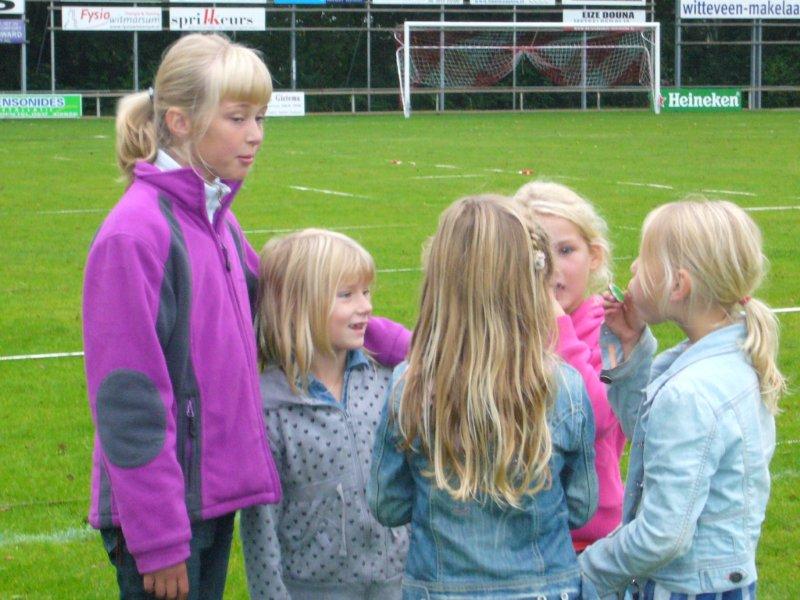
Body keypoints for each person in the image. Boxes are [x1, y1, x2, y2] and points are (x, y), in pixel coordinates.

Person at [83, 33, 410, 600]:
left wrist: (408, 345)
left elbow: (290, 308)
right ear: (181, 122)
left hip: (209, 499)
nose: (256, 134)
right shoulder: (136, 236)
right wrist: (159, 539)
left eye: (260, 117)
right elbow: (128, 403)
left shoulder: (217, 221)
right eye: (238, 118)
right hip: (167, 516)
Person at [368, 195, 599, 599]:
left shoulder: (412, 384)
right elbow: (581, 505)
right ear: (534, 284)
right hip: (546, 587)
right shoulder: (564, 385)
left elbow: (388, 503)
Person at [579, 199, 785, 599]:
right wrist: (630, 343)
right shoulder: (730, 356)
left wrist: (589, 568)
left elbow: (662, 535)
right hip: (721, 583)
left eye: (643, 260)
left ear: (677, 286)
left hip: (685, 589)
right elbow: (648, 433)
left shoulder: (690, 392)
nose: (633, 268)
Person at [241, 229, 409, 599]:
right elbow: (260, 529)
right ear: (300, 306)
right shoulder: (269, 409)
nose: (365, 306)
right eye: (346, 294)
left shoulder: (388, 383)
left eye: (366, 292)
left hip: (398, 586)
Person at [513, 181, 625, 553]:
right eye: (537, 254)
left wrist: (557, 328)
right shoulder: (508, 330)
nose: (552, 268)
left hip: (588, 537)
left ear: (594, 256)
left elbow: (599, 416)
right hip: (520, 533)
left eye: (565, 250)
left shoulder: (612, 329)